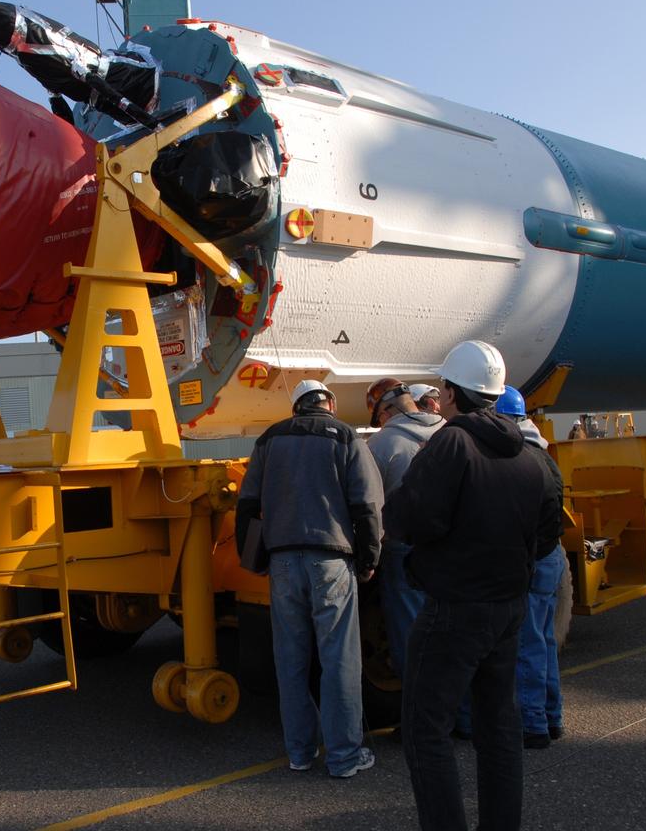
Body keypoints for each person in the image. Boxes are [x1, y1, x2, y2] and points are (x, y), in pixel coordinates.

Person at [388, 340, 558, 831]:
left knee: (426, 731)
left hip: (454, 608)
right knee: (498, 727)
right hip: (508, 607)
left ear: (453, 392)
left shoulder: (452, 445)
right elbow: (548, 530)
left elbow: (412, 517)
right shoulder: (529, 455)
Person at [236, 380, 384, 778]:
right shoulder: (345, 436)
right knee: (339, 660)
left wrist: (255, 559)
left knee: (290, 660)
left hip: (283, 563)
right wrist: (369, 558)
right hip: (332, 562)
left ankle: (299, 753)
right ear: (329, 403)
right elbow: (367, 504)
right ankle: (344, 757)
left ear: (297, 406)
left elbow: (247, 503)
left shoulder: (270, 439)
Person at [494, 387, 567, 751]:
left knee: (528, 644)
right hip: (550, 555)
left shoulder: (515, 456)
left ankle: (533, 725)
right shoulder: (544, 453)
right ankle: (553, 717)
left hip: (530, 558)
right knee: (545, 640)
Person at [364, 379, 445, 690]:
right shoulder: (450, 432)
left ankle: (418, 713)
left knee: (409, 630)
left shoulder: (382, 444)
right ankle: (458, 712)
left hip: (404, 549)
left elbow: (370, 500)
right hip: (448, 545)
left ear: (385, 411)